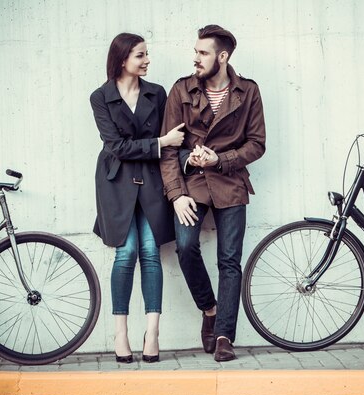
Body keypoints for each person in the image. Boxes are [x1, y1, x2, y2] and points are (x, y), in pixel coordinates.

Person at [159, 25, 266, 361]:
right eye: (195, 52)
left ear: (223, 56)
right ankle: (209, 309)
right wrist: (176, 193)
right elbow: (167, 149)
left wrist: (222, 158)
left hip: (231, 182)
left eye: (203, 53)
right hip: (192, 184)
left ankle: (224, 335)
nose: (196, 59)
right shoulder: (181, 90)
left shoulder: (248, 91)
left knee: (229, 261)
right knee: (187, 247)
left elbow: (257, 143)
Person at [91, 33, 185, 363]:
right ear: (122, 60)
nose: (147, 60)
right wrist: (159, 142)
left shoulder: (156, 93)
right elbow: (115, 146)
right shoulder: (101, 97)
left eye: (147, 54)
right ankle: (120, 333)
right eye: (140, 56)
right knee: (126, 251)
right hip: (116, 183)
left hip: (151, 180)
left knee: (149, 249)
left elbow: (175, 142)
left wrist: (168, 146)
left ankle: (153, 332)